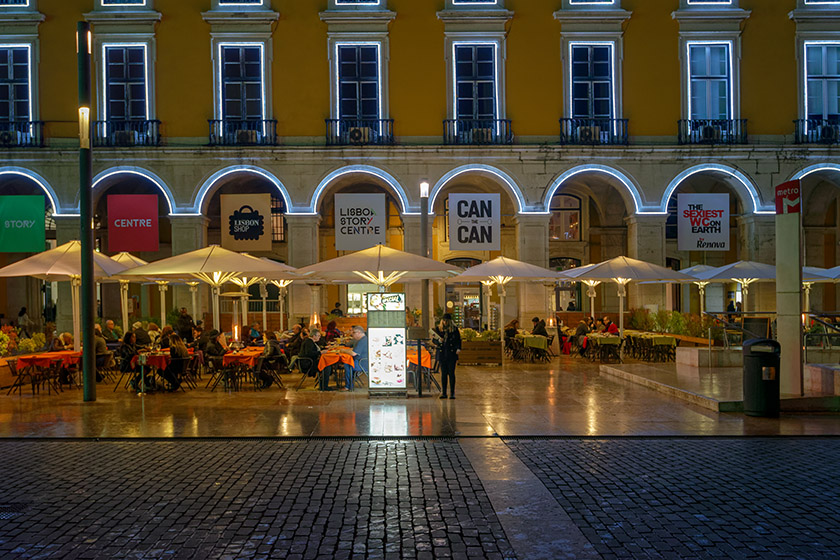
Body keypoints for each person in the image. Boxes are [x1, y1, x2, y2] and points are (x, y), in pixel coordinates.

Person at [434, 313, 461, 399]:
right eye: (444, 321)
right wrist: (439, 341)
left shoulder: (454, 330)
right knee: (444, 374)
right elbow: (434, 340)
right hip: (442, 353)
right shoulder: (438, 329)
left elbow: (458, 340)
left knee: (451, 373)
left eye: (446, 321)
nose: (445, 322)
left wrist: (458, 348)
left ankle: (452, 393)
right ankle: (444, 392)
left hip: (451, 353)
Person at [342, 326, 368, 391]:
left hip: (362, 364)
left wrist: (343, 351)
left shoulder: (363, 341)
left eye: (353, 332)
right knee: (348, 362)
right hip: (363, 362)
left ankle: (348, 386)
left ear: (359, 332)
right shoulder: (363, 339)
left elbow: (353, 353)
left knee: (347, 364)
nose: (352, 334)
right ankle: (349, 384)